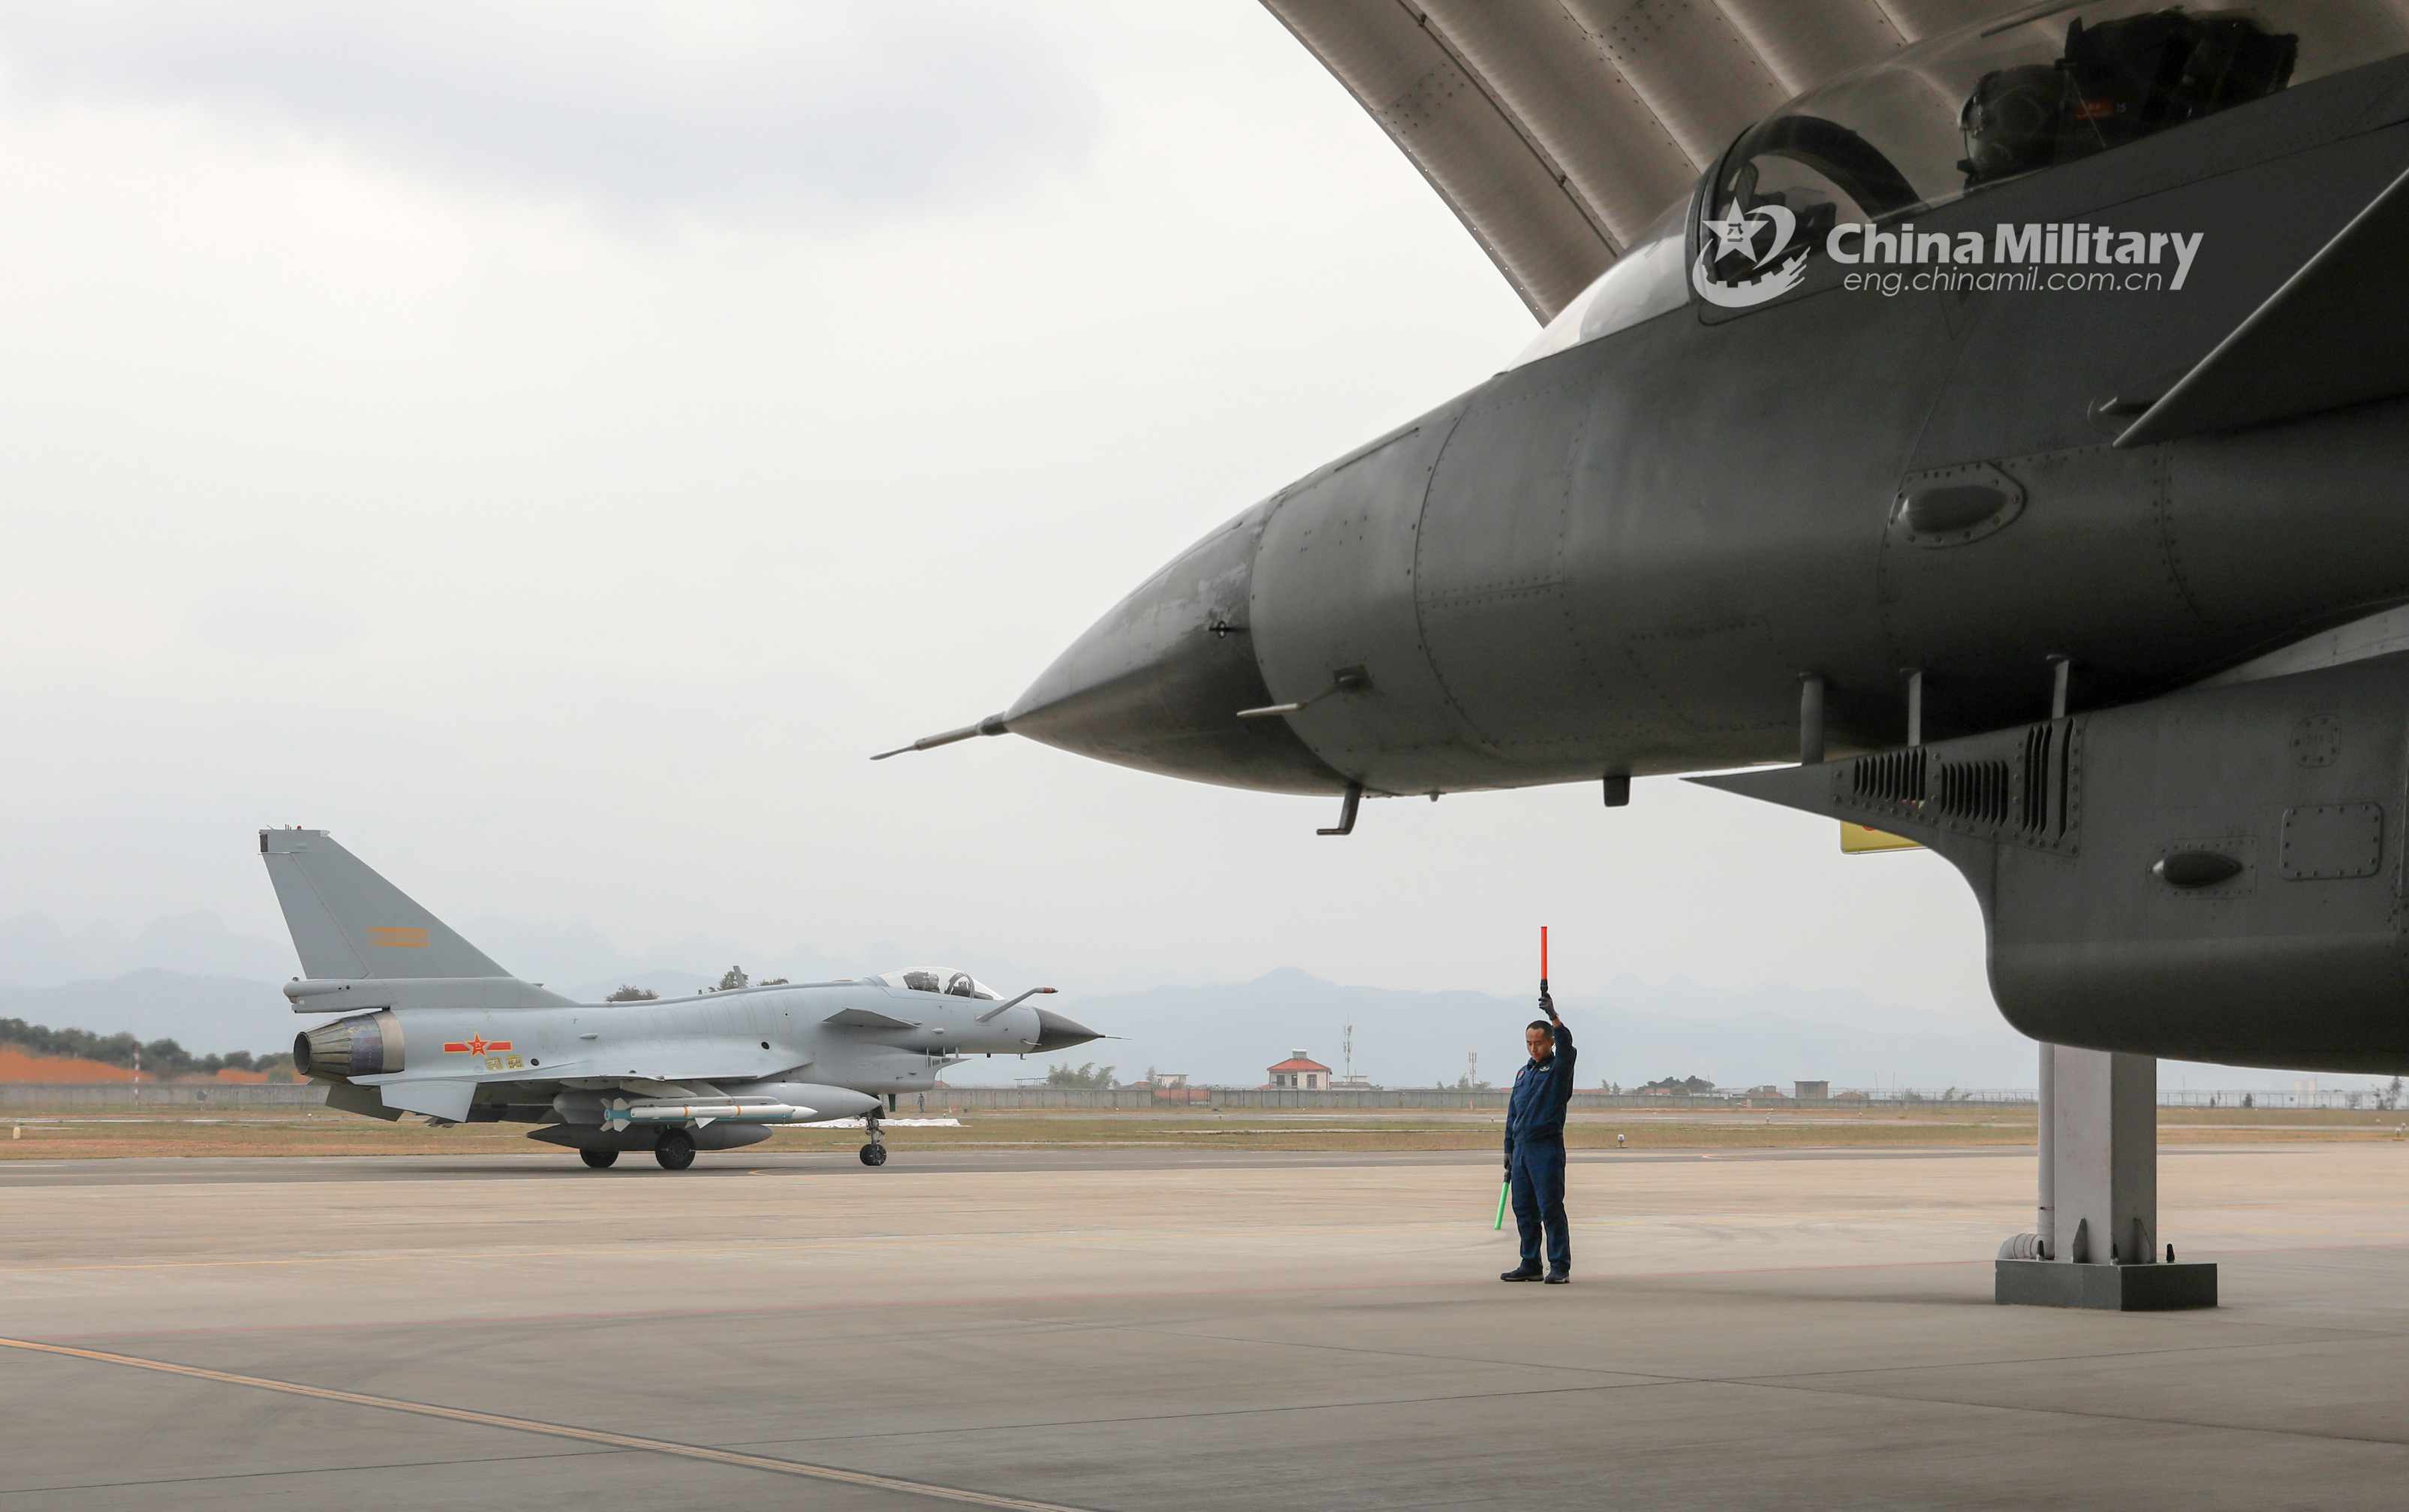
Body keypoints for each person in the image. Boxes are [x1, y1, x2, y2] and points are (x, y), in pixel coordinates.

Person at [1500, 989, 1576, 1284]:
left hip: (1545, 1149)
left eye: (1539, 1043)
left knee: (1550, 1207)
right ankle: (1530, 1262)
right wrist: (1508, 1149)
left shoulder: (1558, 1069)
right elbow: (1513, 1115)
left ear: (1550, 1042)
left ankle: (1559, 1266)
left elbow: (1568, 1049)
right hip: (1521, 1151)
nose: (1534, 1048)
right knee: (1524, 1208)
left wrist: (1554, 1017)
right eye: (1529, 1043)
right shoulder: (1523, 1073)